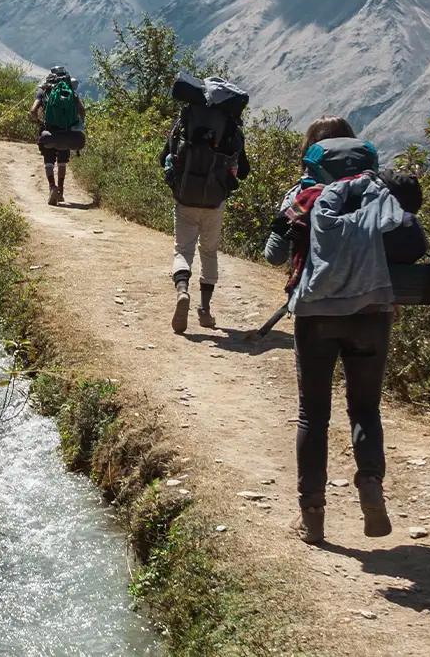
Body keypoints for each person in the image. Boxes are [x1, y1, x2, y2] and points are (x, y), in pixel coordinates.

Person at [264, 121, 401, 547]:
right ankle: (371, 485)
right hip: (373, 314)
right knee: (364, 409)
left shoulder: (303, 195)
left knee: (313, 415)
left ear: (313, 153)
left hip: (316, 315)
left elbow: (273, 255)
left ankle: (313, 518)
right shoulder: (379, 194)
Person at [160, 78, 251, 333]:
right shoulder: (231, 127)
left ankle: (182, 291)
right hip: (214, 201)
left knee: (182, 250)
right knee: (209, 252)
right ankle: (205, 310)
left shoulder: (185, 120)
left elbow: (163, 157)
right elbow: (243, 171)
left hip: (185, 197)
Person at [29, 67, 85, 205]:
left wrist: (37, 121)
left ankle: (52, 187)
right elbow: (82, 111)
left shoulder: (44, 90)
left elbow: (32, 110)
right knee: (62, 161)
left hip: (49, 132)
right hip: (67, 132)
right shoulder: (71, 92)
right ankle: (60, 190)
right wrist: (78, 124)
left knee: (48, 161)